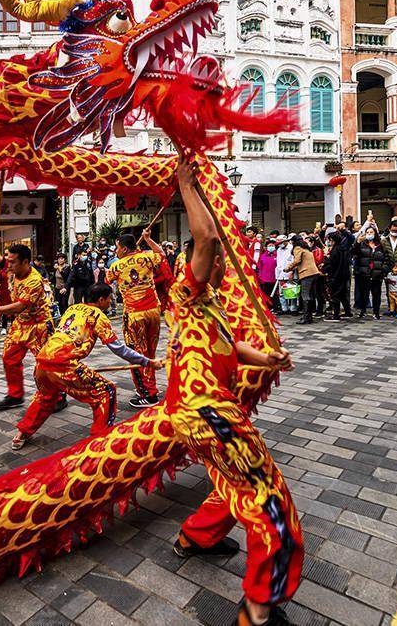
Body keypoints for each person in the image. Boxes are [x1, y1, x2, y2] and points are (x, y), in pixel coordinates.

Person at [168, 158, 302, 625]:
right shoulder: (185, 295)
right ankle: (258, 609)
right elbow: (206, 238)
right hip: (207, 412)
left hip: (202, 414)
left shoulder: (211, 306)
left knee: (233, 483)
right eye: (218, 257)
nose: (224, 261)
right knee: (270, 501)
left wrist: (266, 360)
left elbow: (230, 346)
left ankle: (193, 538)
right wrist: (189, 185)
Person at [11, 283, 162, 449]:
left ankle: (21, 435)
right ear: (101, 299)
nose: (111, 302)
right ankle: (98, 443)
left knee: (45, 397)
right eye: (110, 298)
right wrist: (148, 362)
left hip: (42, 361)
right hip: (63, 364)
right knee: (106, 391)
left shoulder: (72, 308)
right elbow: (119, 349)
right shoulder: (99, 316)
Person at [107, 230, 165, 408]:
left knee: (138, 354)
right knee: (150, 352)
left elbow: (107, 280)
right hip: (153, 312)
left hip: (134, 315)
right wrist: (148, 239)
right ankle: (148, 388)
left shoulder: (116, 266)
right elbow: (161, 254)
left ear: (124, 249)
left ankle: (148, 394)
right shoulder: (147, 257)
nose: (116, 251)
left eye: (117, 248)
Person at [0, 244, 53, 410]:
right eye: (8, 261)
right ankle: (15, 395)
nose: (8, 265)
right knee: (9, 358)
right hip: (20, 324)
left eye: (12, 262)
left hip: (39, 326)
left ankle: (57, 396)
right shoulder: (13, 269)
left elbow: (19, 306)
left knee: (45, 365)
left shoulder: (34, 281)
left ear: (25, 261)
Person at [284, 236, 320, 325]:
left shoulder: (297, 248)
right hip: (314, 273)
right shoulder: (307, 249)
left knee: (305, 295)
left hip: (306, 274)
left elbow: (297, 260)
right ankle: (309, 316)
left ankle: (306, 317)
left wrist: (288, 268)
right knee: (311, 295)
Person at [322, 231, 352, 321]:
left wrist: (324, 266)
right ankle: (347, 312)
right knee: (342, 295)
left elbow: (332, 264)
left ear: (332, 240)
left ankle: (336, 315)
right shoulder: (343, 249)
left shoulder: (335, 250)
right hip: (344, 274)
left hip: (336, 275)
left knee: (335, 295)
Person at [256, 239, 279, 314]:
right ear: (266, 247)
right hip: (264, 279)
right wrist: (260, 277)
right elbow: (259, 267)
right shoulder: (262, 256)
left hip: (275, 278)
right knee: (266, 294)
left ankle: (276, 308)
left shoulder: (278, 255)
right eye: (269, 246)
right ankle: (268, 308)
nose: (271, 247)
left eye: (272, 245)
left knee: (275, 294)